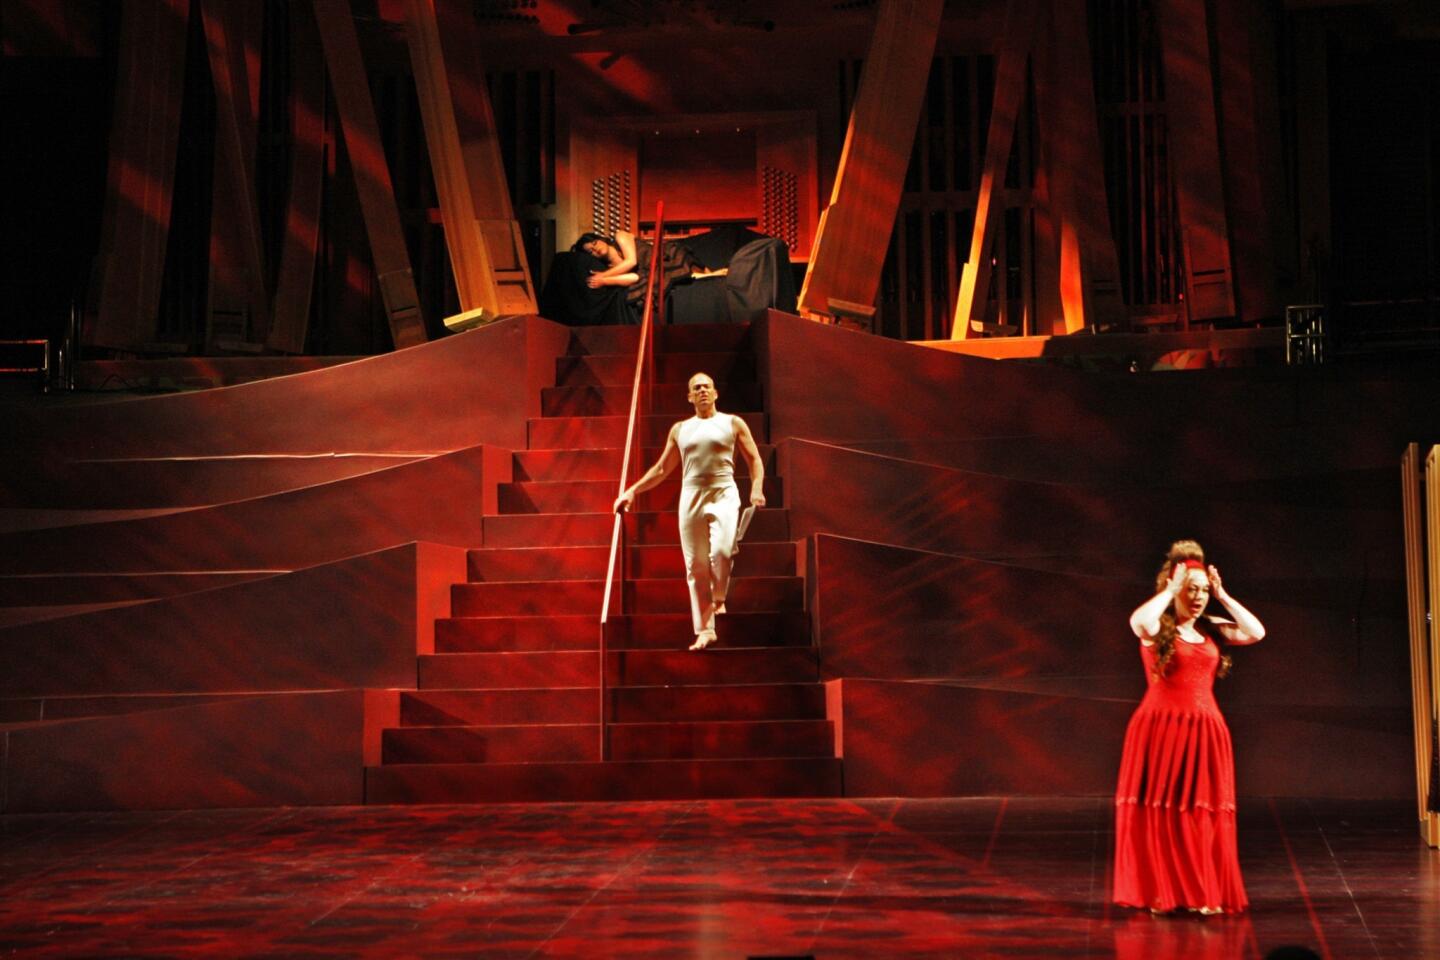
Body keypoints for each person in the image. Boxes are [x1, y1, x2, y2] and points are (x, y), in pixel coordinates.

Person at [1113, 539, 1266, 915]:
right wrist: (1168, 590)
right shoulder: (1158, 628)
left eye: (1202, 591)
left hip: (1206, 732)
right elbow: (1139, 622)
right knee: (1162, 811)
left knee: (1201, 814)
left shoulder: (1211, 630)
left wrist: (1223, 595)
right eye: (1190, 590)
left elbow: (1256, 632)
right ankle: (1162, 893)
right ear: (1176, 589)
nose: (1198, 597)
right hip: (1160, 729)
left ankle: (1201, 892)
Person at [612, 372, 765, 650]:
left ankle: (719, 597)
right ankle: (705, 629)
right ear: (690, 397)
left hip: (724, 491)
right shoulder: (681, 429)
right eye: (697, 387)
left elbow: (754, 459)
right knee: (695, 565)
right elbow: (661, 469)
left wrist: (757, 487)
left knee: (721, 551)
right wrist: (633, 490)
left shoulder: (732, 423)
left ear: (716, 393)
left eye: (707, 386)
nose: (703, 390)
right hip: (691, 494)